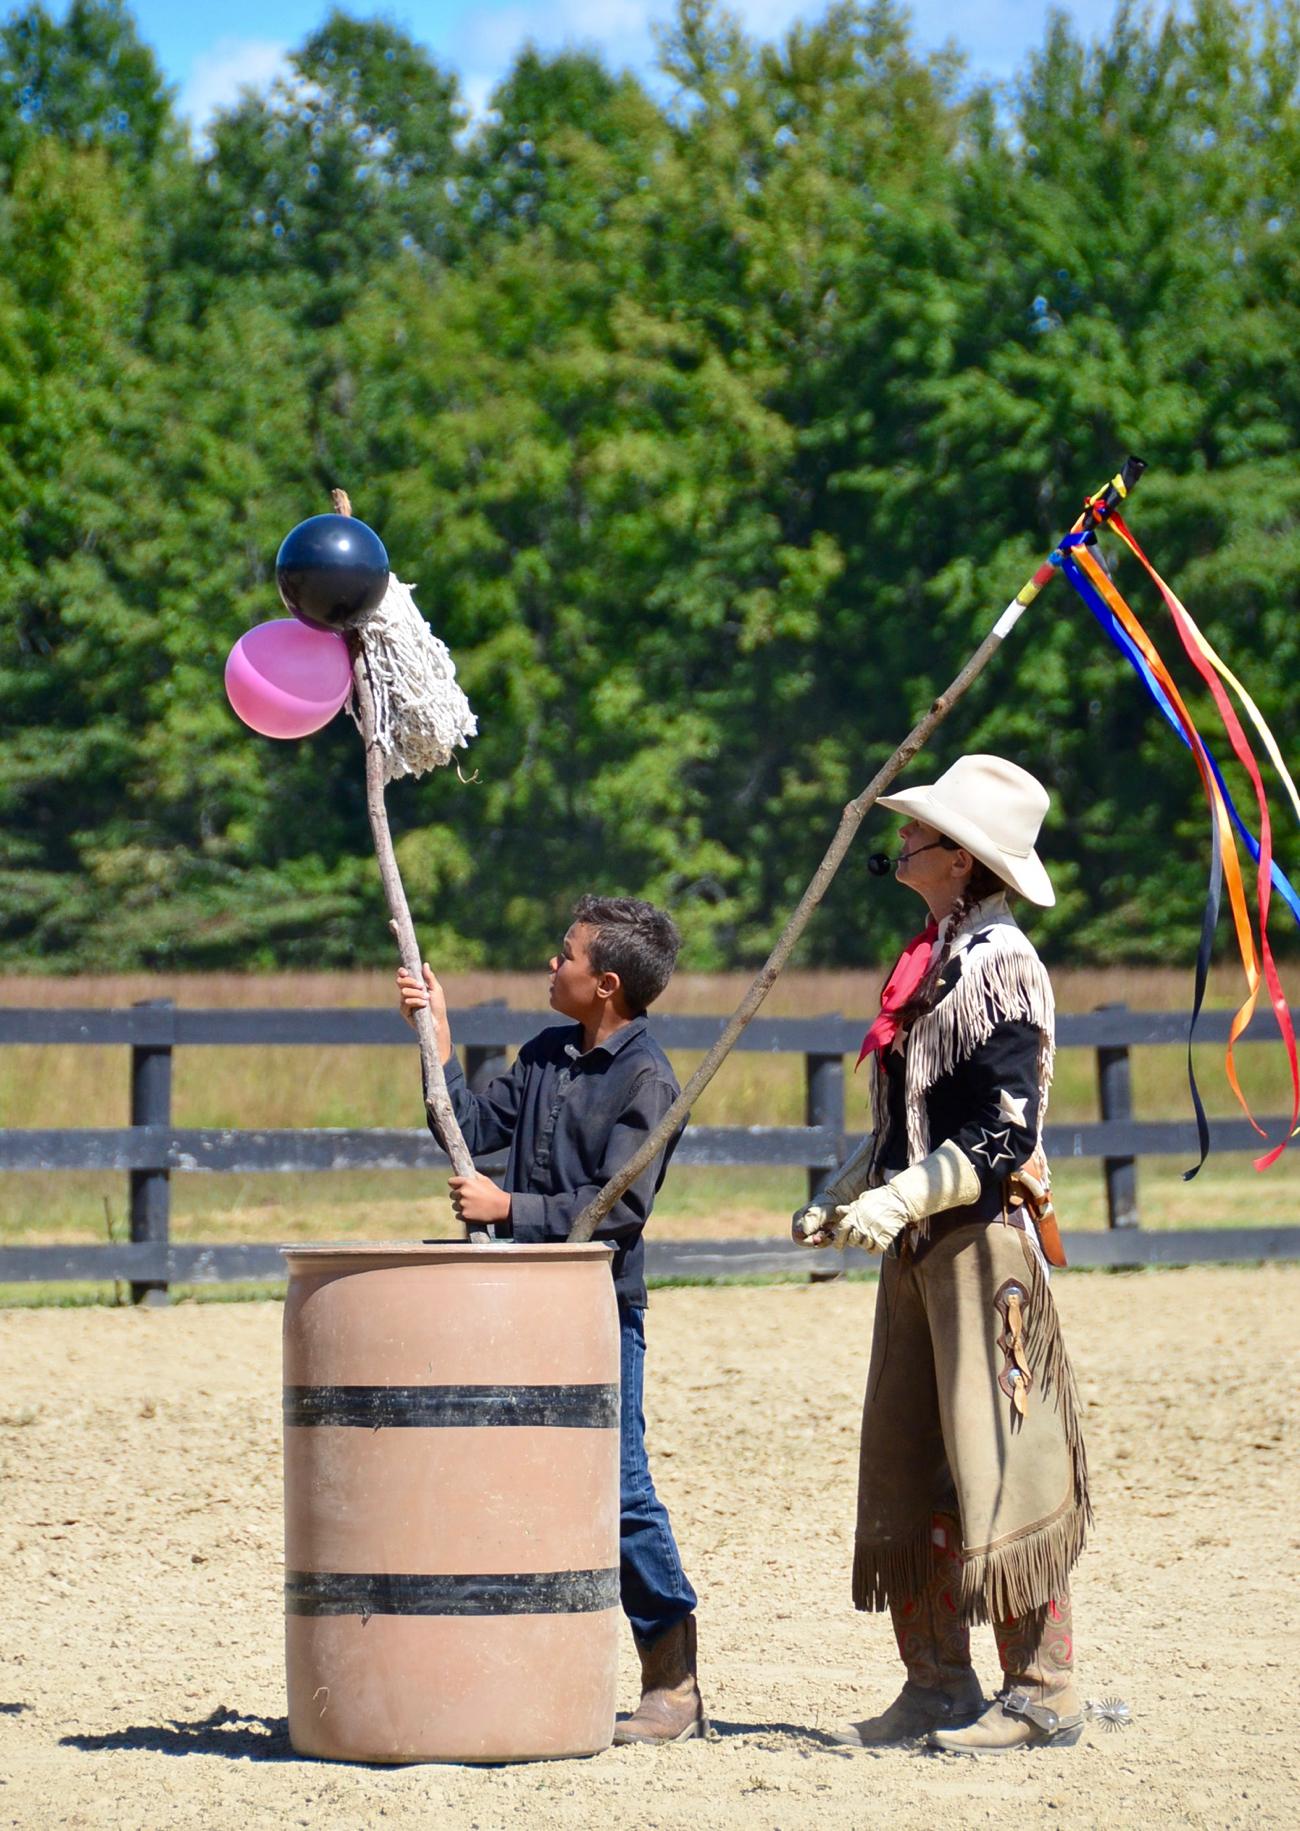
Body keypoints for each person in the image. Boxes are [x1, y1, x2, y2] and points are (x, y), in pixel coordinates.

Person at [792, 754, 1090, 1755]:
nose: (904, 845)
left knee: (1001, 1458)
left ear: (960, 860)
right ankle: (936, 1683)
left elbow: (1005, 1131)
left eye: (921, 835)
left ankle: (1043, 1690)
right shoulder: (932, 960)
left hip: (982, 1251)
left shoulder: (1002, 965)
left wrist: (906, 1194)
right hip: (920, 1249)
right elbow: (907, 1117)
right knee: (911, 1458)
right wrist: (847, 1194)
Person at [397, 894, 707, 1745]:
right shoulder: (540, 1056)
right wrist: (440, 1046)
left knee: (619, 1490)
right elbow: (462, 1129)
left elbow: (617, 1211)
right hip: (513, 1304)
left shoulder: (649, 1081)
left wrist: (507, 1208)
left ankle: (673, 1677)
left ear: (605, 983)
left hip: (598, 1313)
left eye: (565, 954)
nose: (550, 962)